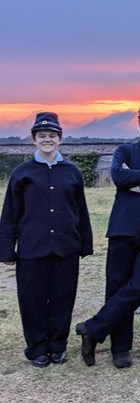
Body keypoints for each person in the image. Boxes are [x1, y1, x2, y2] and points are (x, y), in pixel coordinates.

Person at [75, 102, 140, 368]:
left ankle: (92, 328)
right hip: (123, 229)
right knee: (116, 287)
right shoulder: (125, 150)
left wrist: (138, 188)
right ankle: (120, 350)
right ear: (139, 123)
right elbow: (118, 177)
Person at [0, 112, 93, 367]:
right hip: (32, 248)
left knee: (63, 298)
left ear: (60, 139)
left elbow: (81, 211)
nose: (47, 140)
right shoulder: (22, 173)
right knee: (32, 301)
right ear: (34, 139)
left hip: (66, 247)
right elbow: (10, 214)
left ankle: (57, 345)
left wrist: (85, 244)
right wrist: (7, 250)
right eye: (42, 135)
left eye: (52, 135)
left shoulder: (71, 172)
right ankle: (37, 348)